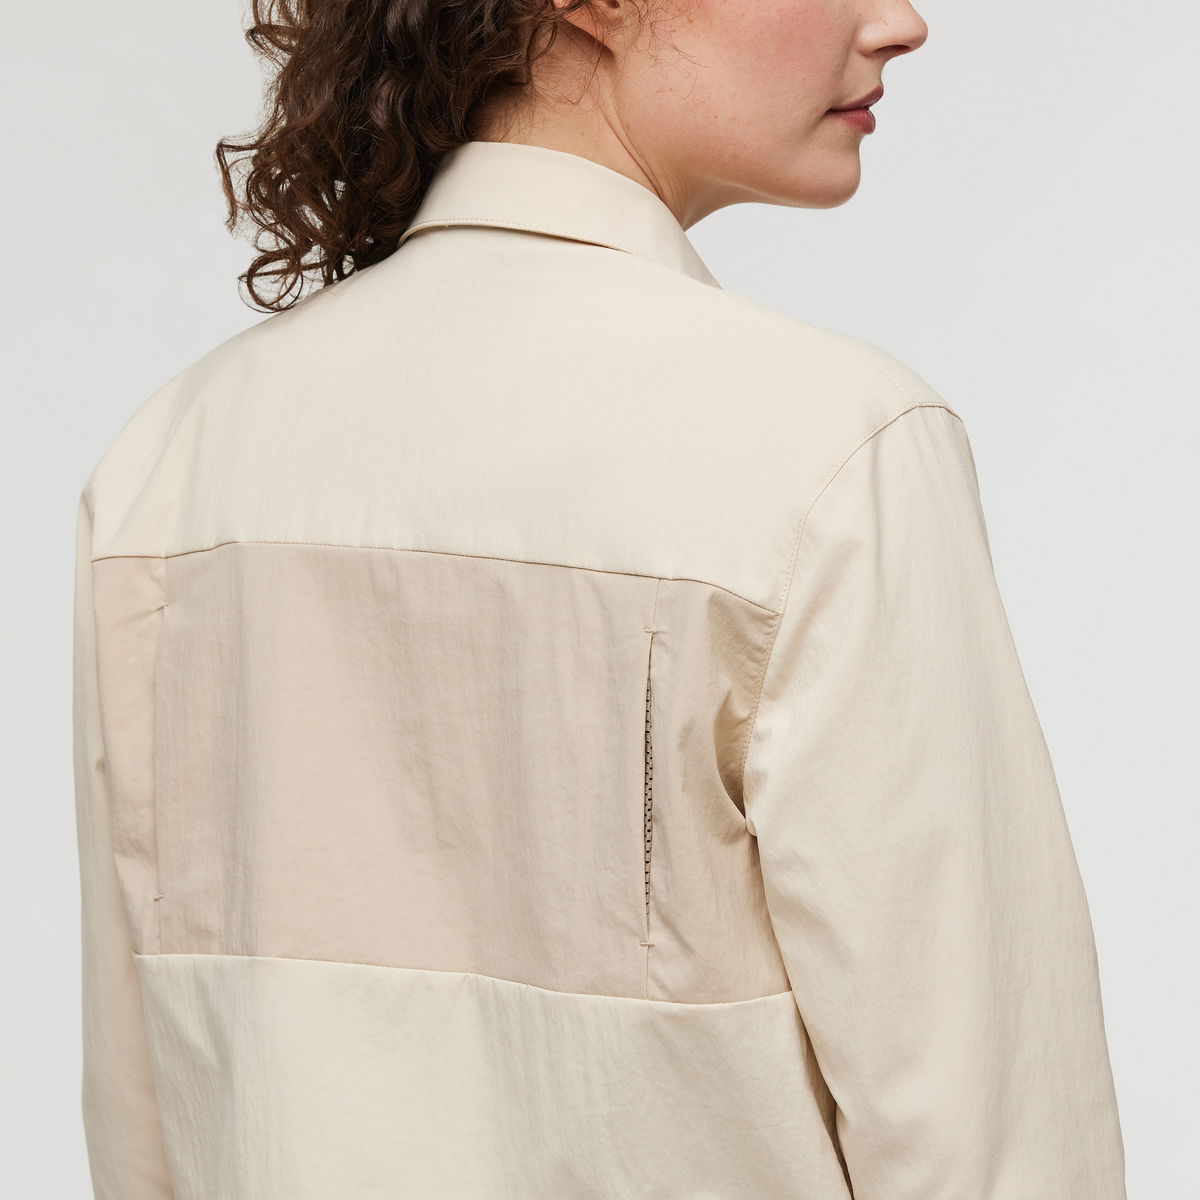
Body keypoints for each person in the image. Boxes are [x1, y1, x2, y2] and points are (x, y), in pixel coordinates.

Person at [73, 0, 1127, 1196]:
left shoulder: (172, 459)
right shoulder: (830, 451)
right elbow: (992, 1144)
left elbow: (146, 1123)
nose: (900, 23)